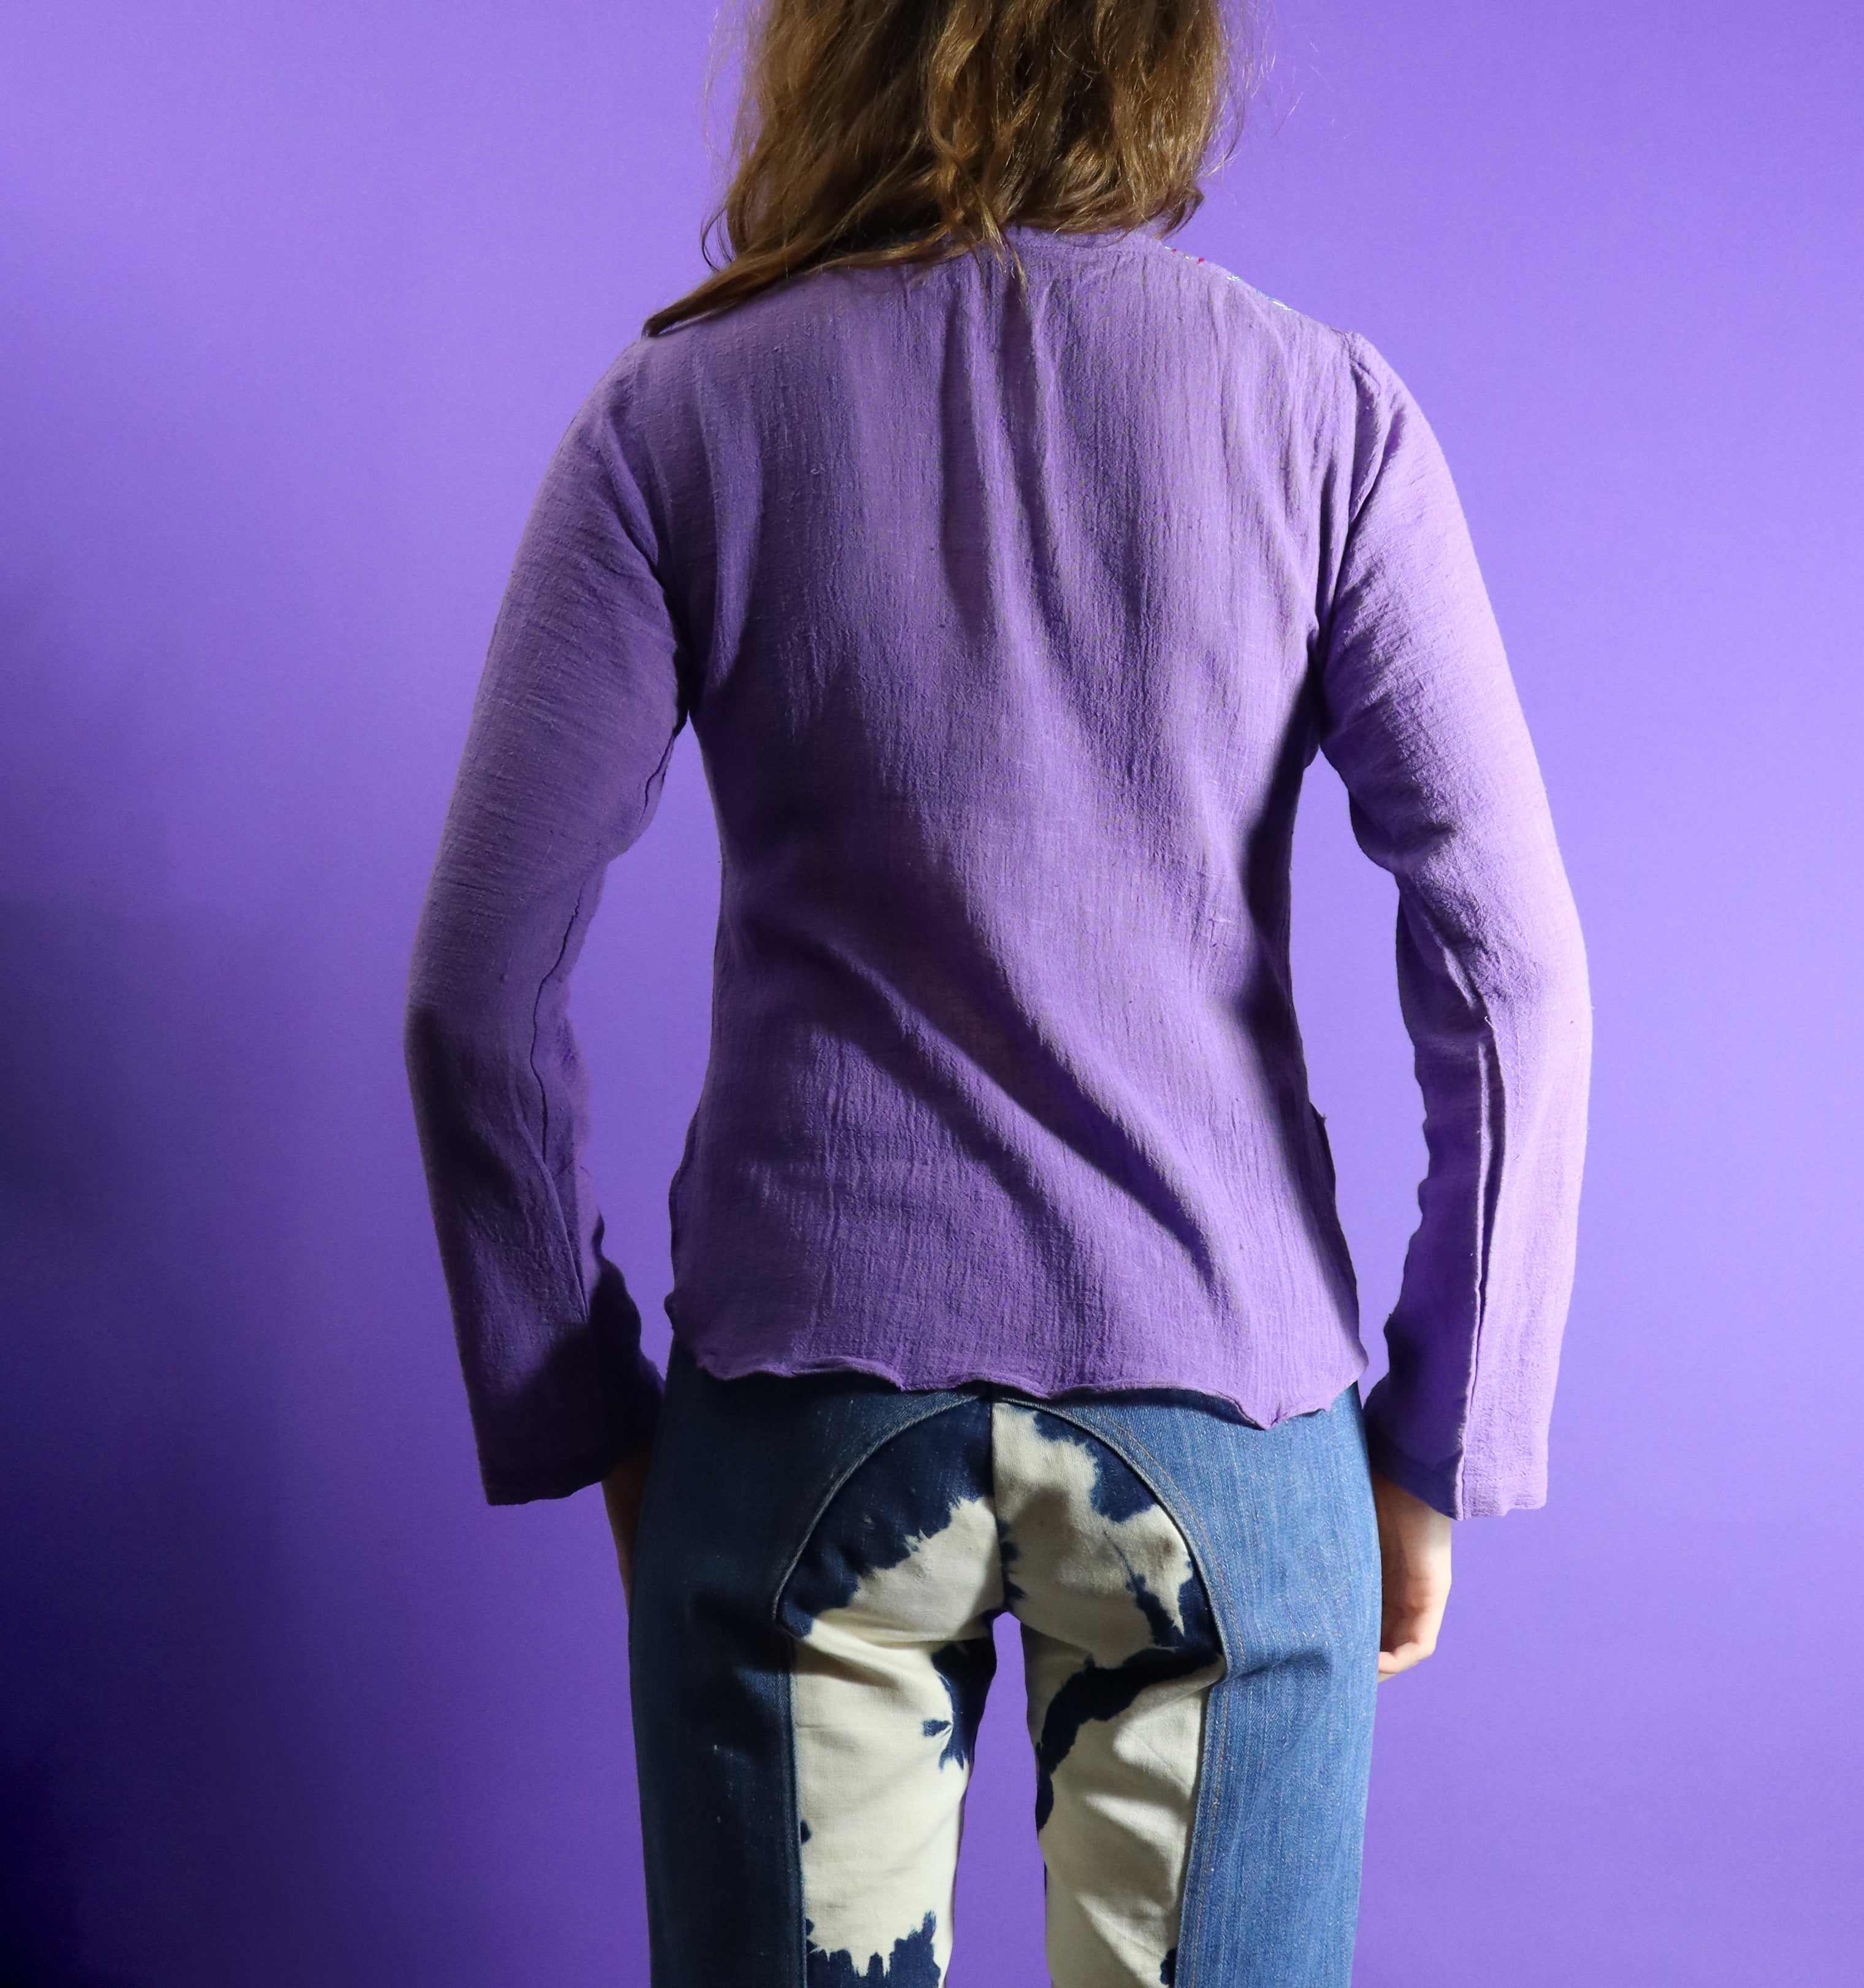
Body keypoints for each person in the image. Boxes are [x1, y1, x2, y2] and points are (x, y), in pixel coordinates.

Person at [403, 0, 1592, 1981]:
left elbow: (473, 989)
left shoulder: (678, 414)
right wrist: (1437, 1442)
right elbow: (1512, 972)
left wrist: (589, 1412)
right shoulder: (1324, 417)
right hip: (1221, 1416)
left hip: (802, 1417)